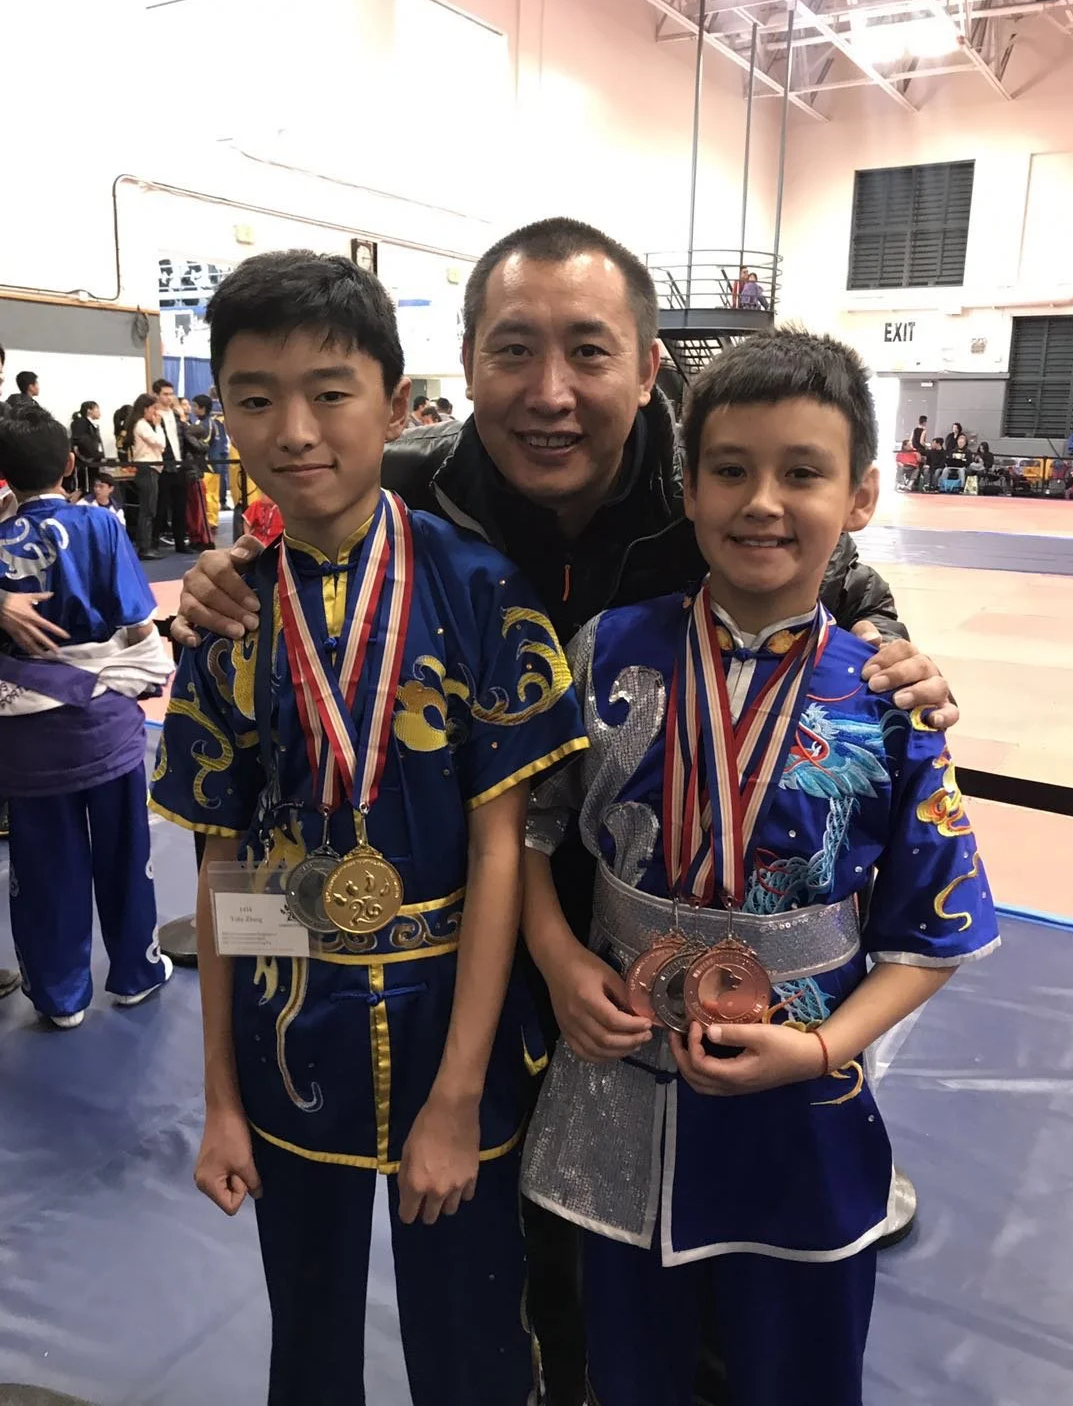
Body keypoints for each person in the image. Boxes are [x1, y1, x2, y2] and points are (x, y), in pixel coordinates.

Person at [169, 216, 959, 1406]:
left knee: (676, 1289)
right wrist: (231, 575)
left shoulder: (694, 484)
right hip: (417, 958)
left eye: (589, 354)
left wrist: (891, 652)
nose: (550, 392)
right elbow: (247, 837)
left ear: (649, 371)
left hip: (629, 937)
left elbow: (825, 572)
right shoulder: (397, 483)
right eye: (512, 353)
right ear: (459, 368)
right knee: (504, 1272)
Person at [519, 331, 1000, 1406]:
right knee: (628, 1367)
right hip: (621, 1083)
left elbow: (938, 931)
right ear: (687, 491)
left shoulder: (888, 697)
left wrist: (825, 1045)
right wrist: (556, 960)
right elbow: (532, 827)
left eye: (802, 472)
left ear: (863, 494)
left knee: (803, 1371)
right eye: (730, 470)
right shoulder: (606, 648)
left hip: (803, 1109)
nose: (762, 502)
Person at [148, 249, 587, 1406]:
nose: (295, 429)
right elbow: (226, 871)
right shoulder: (230, 616)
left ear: (395, 404)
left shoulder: (479, 591)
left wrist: (454, 1099)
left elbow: (502, 846)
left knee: (475, 1347)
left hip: (465, 1038)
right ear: (221, 411)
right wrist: (223, 1102)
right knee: (309, 1350)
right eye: (254, 398)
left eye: (330, 392)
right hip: (293, 1035)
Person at [0, 405, 174, 1027]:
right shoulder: (100, 527)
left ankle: (59, 995)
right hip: (103, 724)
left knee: (45, 863)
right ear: (72, 463)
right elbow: (135, 618)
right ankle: (134, 972)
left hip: (24, 735)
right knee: (127, 849)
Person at [152, 377, 190, 554]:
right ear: (156, 395)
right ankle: (153, 544)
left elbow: (185, 437)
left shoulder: (176, 415)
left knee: (180, 507)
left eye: (170, 394)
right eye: (165, 394)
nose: (169, 397)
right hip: (162, 466)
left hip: (180, 464)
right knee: (160, 507)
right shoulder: (153, 415)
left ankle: (181, 544)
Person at [128, 393, 165, 560]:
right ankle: (144, 547)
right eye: (153, 408)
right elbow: (160, 443)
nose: (155, 412)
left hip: (150, 469)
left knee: (149, 509)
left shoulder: (141, 424)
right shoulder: (142, 425)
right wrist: (158, 426)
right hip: (147, 468)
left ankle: (146, 545)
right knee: (148, 509)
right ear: (145, 408)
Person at [180, 393, 214, 548]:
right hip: (191, 469)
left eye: (193, 405)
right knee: (194, 507)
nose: (191, 408)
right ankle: (197, 536)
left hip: (204, 469)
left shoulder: (207, 424)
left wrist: (187, 434)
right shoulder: (197, 423)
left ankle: (206, 538)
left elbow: (205, 445)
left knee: (204, 505)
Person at [70, 400, 105, 494]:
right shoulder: (80, 423)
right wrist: (86, 459)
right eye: (97, 409)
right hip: (85, 464)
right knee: (86, 488)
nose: (99, 412)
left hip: (95, 462)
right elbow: (77, 443)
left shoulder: (93, 425)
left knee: (93, 485)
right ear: (89, 411)